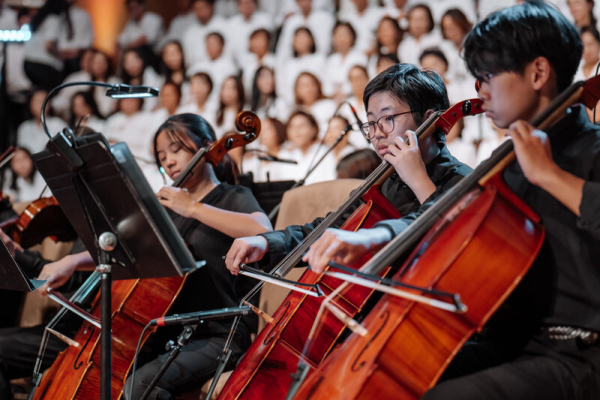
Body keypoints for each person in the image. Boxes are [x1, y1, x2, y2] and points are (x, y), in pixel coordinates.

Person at [27, 114, 273, 399]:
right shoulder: (167, 210)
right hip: (166, 330)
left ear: (207, 145)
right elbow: (125, 247)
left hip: (220, 333)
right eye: (161, 155)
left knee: (138, 389)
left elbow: (261, 230)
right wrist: (70, 261)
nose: (168, 160)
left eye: (176, 148)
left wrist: (192, 207)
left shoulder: (233, 196)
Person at [224, 63, 472, 279]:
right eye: (371, 123)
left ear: (428, 119)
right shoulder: (382, 182)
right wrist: (266, 242)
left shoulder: (463, 181)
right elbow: (328, 229)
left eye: (387, 119)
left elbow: (455, 244)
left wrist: (418, 180)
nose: (376, 134)